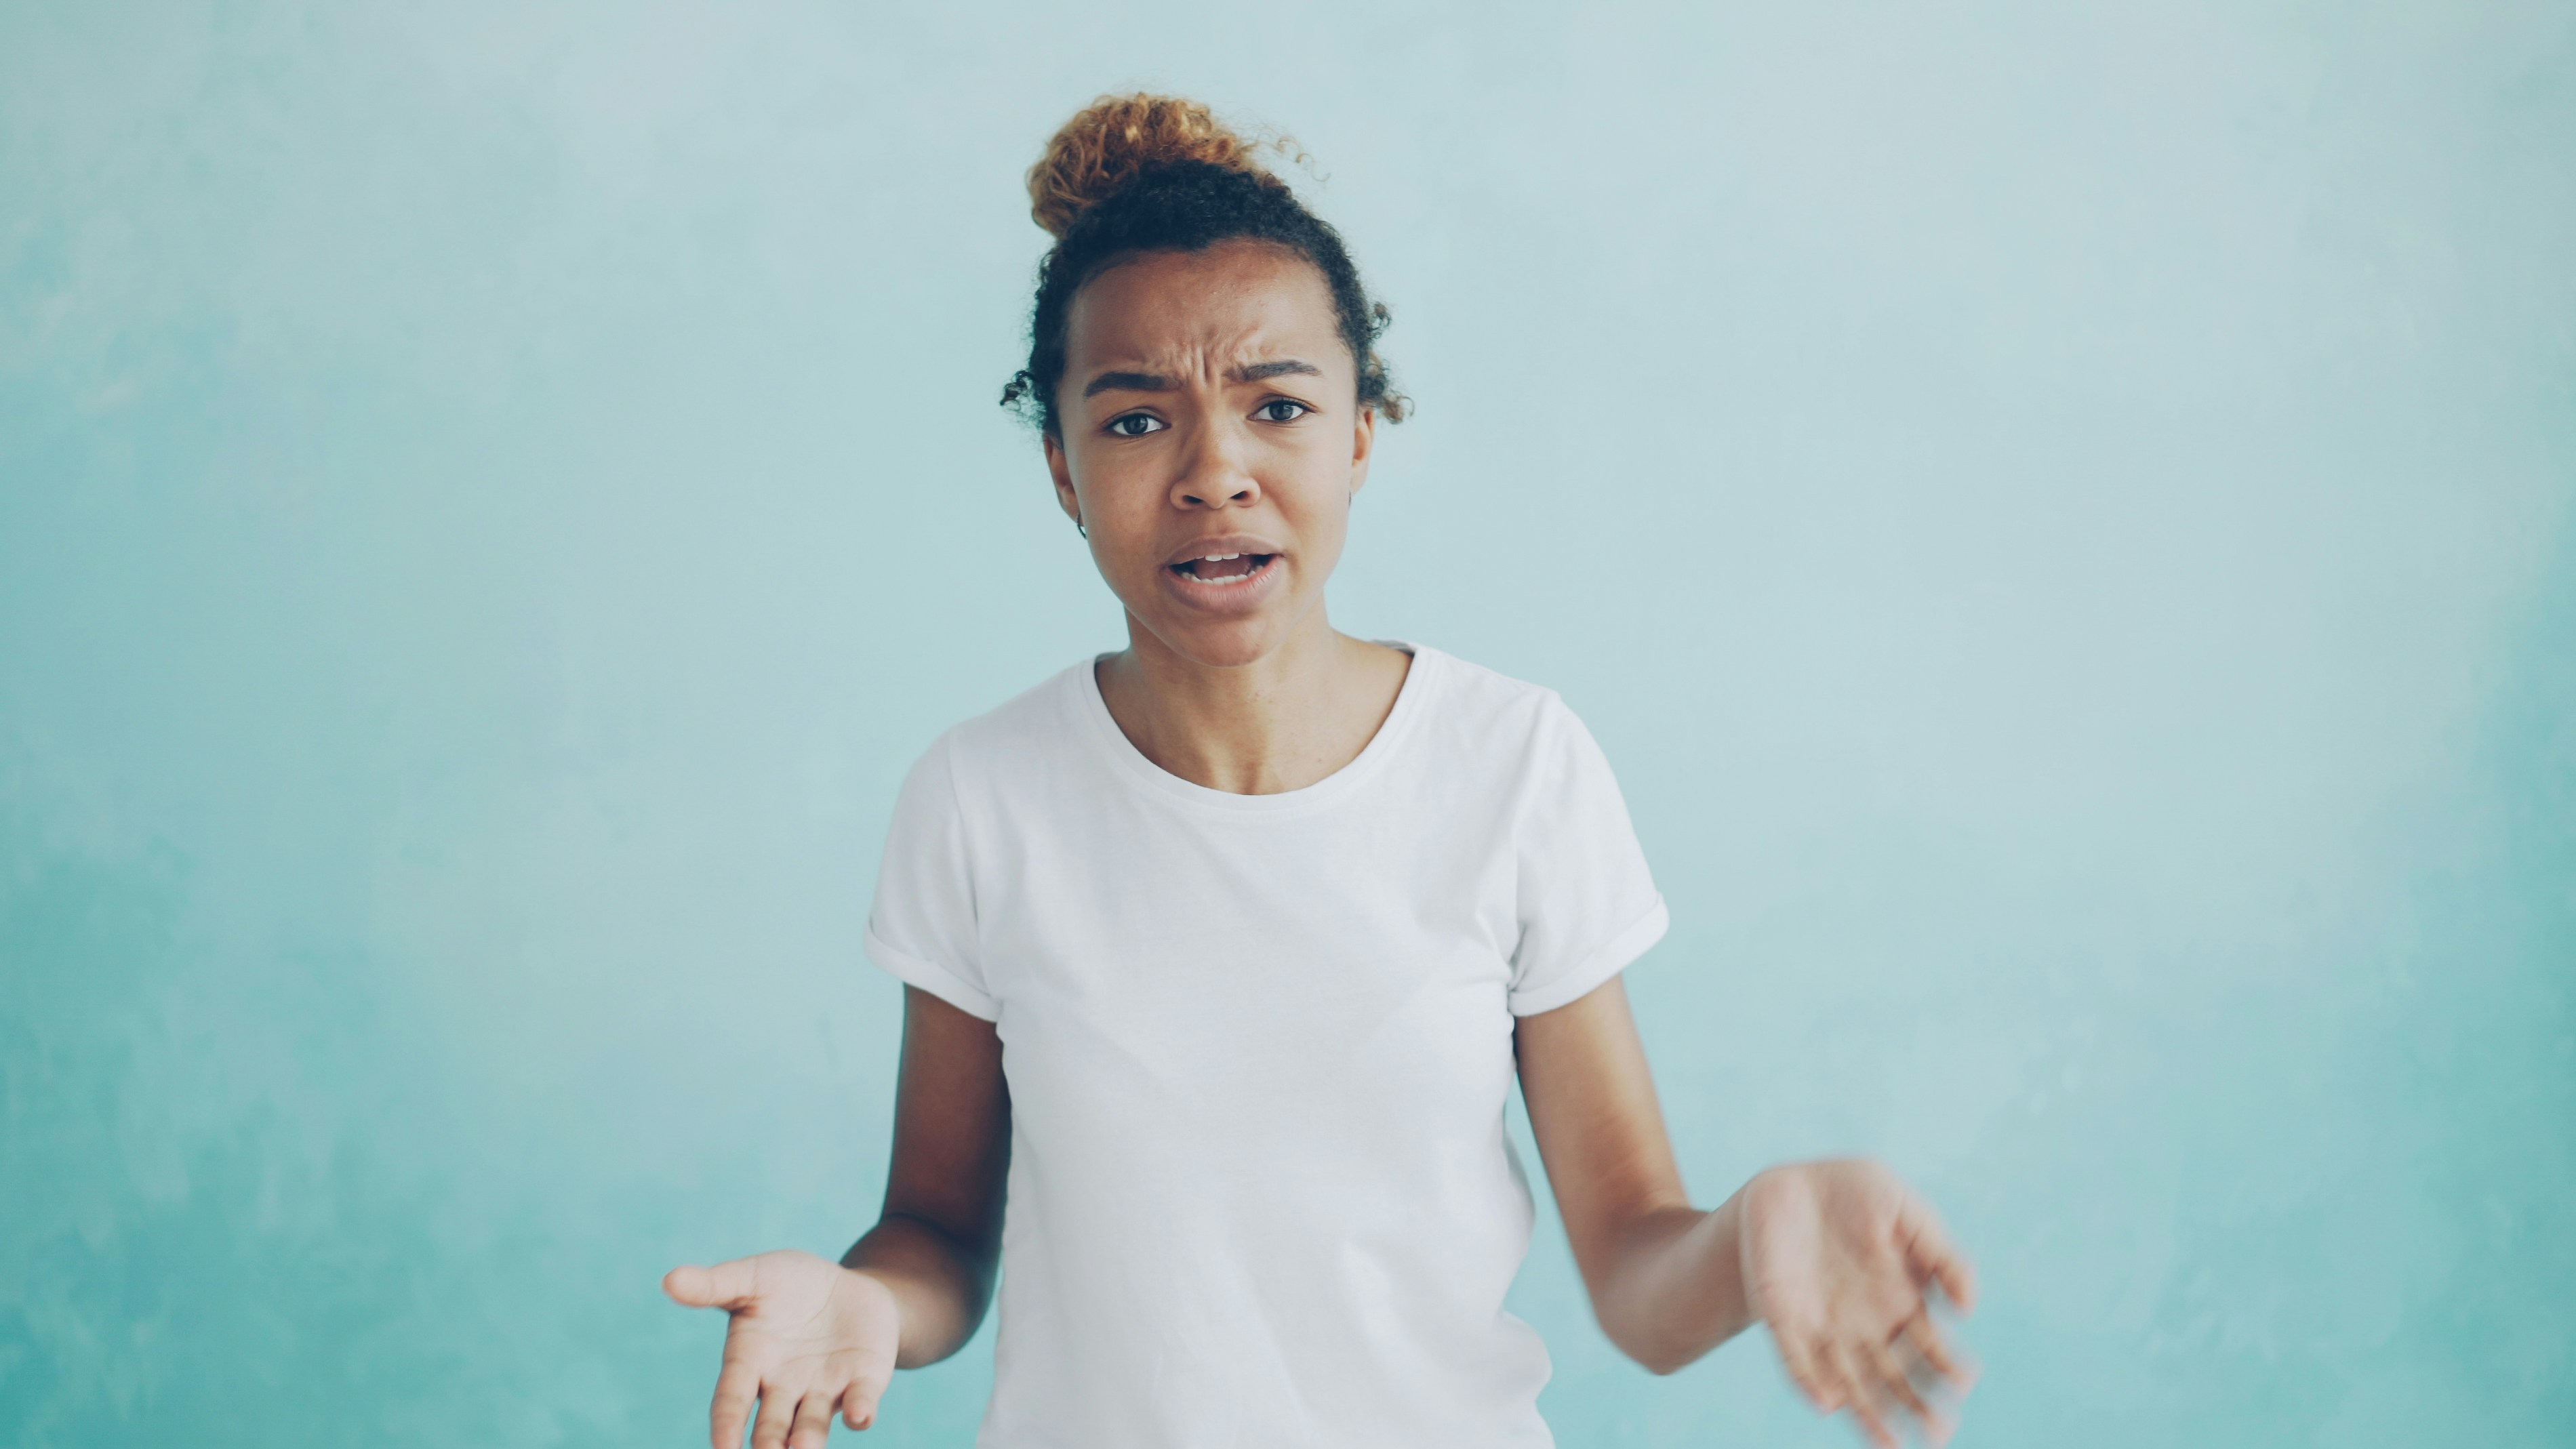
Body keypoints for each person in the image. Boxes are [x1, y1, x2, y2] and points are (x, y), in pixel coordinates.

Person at [664, 94, 1977, 1449]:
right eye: (1134, 422)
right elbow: (936, 1232)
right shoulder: (980, 798)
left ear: (1357, 436)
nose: (1214, 472)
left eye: (1278, 406)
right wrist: (869, 1301)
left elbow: (1639, 1275)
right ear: (1060, 467)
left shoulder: (1514, 765)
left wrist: (1753, 1229)